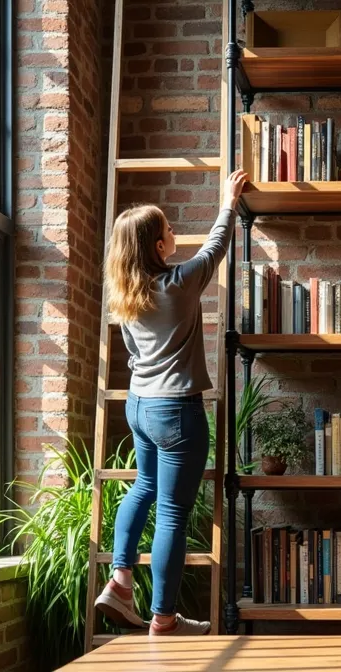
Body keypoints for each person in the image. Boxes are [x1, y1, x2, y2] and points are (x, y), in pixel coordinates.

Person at [94, 169, 248, 636]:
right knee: (173, 516)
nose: (174, 234)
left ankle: (120, 579)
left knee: (143, 487)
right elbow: (216, 246)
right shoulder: (178, 283)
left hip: (138, 407)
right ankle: (163, 618)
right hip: (177, 410)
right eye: (167, 230)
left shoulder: (125, 295)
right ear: (157, 246)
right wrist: (228, 200)